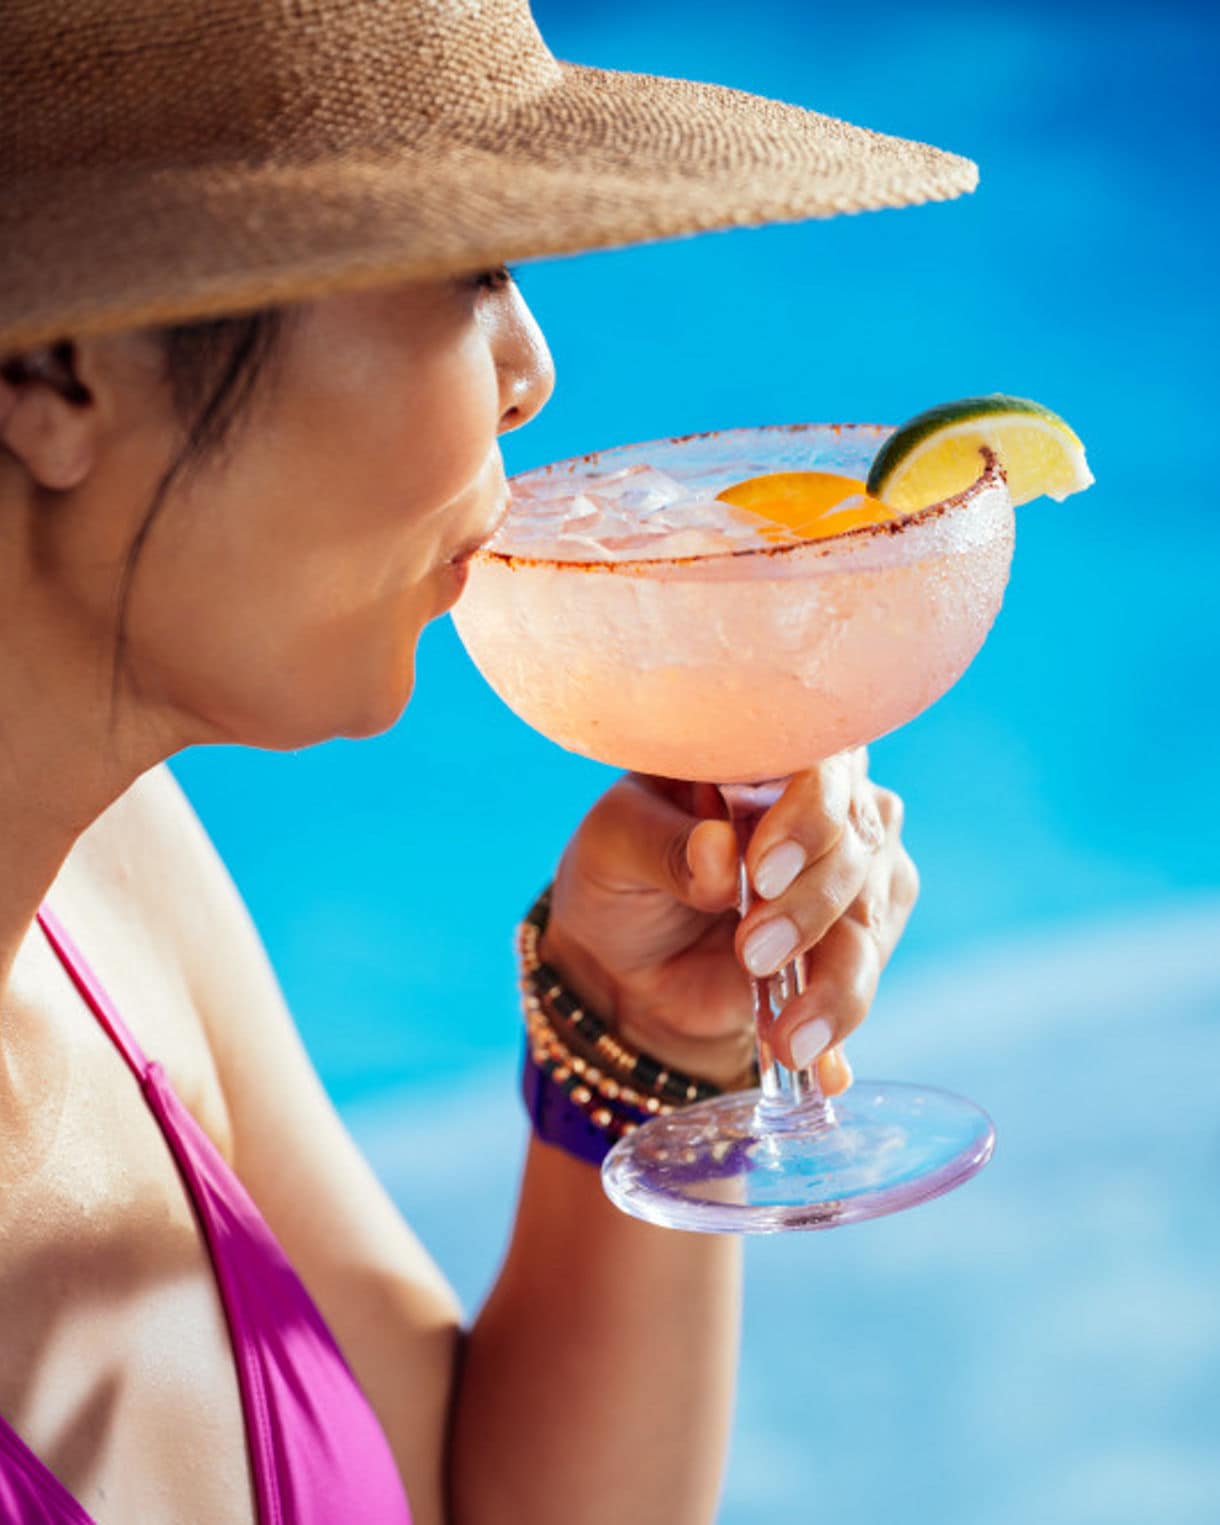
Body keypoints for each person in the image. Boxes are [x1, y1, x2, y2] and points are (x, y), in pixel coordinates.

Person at [0, 2, 969, 1522]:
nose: (532, 367)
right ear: (58, 370)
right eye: (470, 270)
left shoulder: (113, 870)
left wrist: (646, 1040)